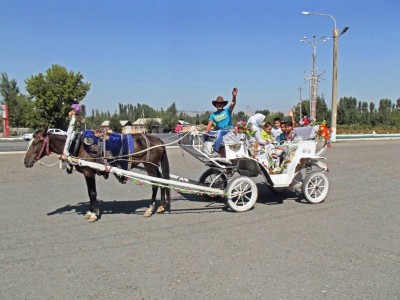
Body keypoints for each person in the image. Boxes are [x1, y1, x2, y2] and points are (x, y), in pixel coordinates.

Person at [205, 87, 238, 156]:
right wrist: (206, 132)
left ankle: (215, 151)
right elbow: (208, 127)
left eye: (221, 103)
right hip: (220, 132)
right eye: (218, 103)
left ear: (223, 105)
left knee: (220, 132)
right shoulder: (213, 115)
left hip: (228, 131)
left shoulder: (227, 111)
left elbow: (233, 103)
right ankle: (206, 149)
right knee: (205, 133)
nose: (219, 105)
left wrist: (234, 96)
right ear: (215, 105)